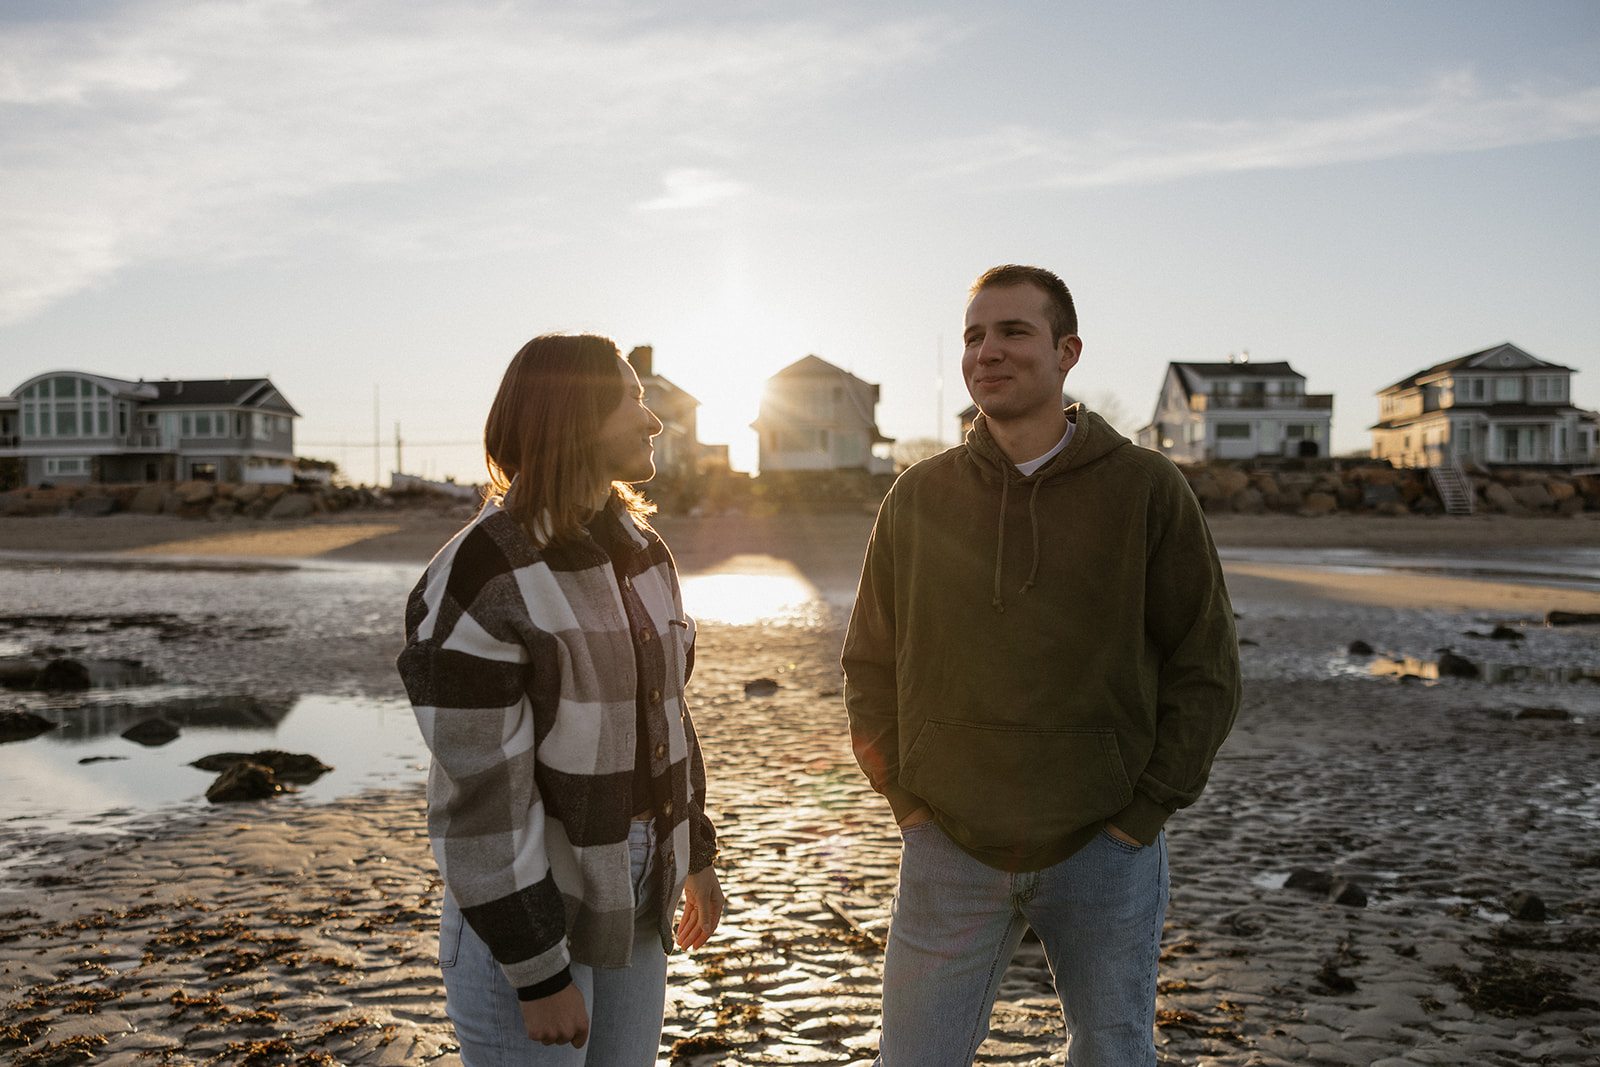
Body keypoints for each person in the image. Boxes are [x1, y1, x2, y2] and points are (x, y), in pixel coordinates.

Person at [842, 265, 1241, 1066]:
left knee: (1114, 1051)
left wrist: (1142, 816)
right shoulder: (918, 498)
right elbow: (868, 662)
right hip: (947, 843)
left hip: (1103, 845)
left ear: (1067, 352)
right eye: (973, 335)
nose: (987, 351)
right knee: (911, 1056)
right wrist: (906, 803)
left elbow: (1206, 666)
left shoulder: (1146, 489)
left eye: (1013, 332)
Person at [398, 333, 724, 1064]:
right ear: (574, 419)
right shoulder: (479, 574)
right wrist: (538, 969)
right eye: (634, 401)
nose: (654, 421)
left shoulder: (643, 548)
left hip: (638, 896)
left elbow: (666, 716)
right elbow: (485, 801)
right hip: (534, 906)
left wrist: (693, 851)